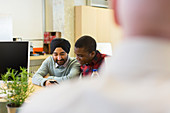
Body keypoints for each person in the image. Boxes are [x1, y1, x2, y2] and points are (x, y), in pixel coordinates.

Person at [20, 0, 170, 112]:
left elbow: (72, 79)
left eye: (62, 53)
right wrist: (47, 81)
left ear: (115, 11)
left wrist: (47, 81)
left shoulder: (45, 106)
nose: (59, 57)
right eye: (55, 54)